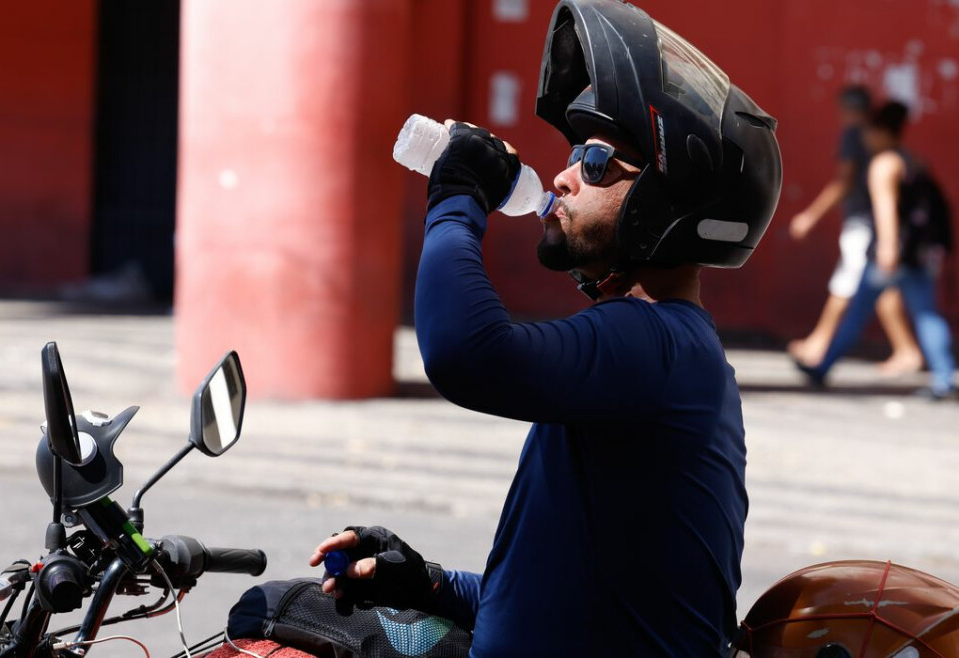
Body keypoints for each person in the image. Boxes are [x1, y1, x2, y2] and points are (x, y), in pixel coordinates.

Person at [309, 0, 782, 654]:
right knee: (271, 612)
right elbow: (564, 596)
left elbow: (463, 352)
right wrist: (429, 584)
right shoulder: (659, 351)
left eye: (593, 162)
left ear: (665, 201)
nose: (560, 177)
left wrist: (457, 194)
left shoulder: (653, 343)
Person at [796, 101, 956, 399]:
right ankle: (945, 378)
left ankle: (822, 367)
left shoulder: (883, 164)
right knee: (927, 314)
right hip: (919, 254)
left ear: (881, 131)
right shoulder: (913, 160)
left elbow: (885, 209)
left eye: (869, 131)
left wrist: (886, 248)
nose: (866, 138)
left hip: (891, 253)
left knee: (857, 312)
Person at [788, 86, 923, 374]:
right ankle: (904, 349)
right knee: (877, 286)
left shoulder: (856, 136)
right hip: (877, 227)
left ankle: (822, 346)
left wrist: (811, 216)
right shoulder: (889, 144)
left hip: (865, 225)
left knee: (848, 284)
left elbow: (844, 181)